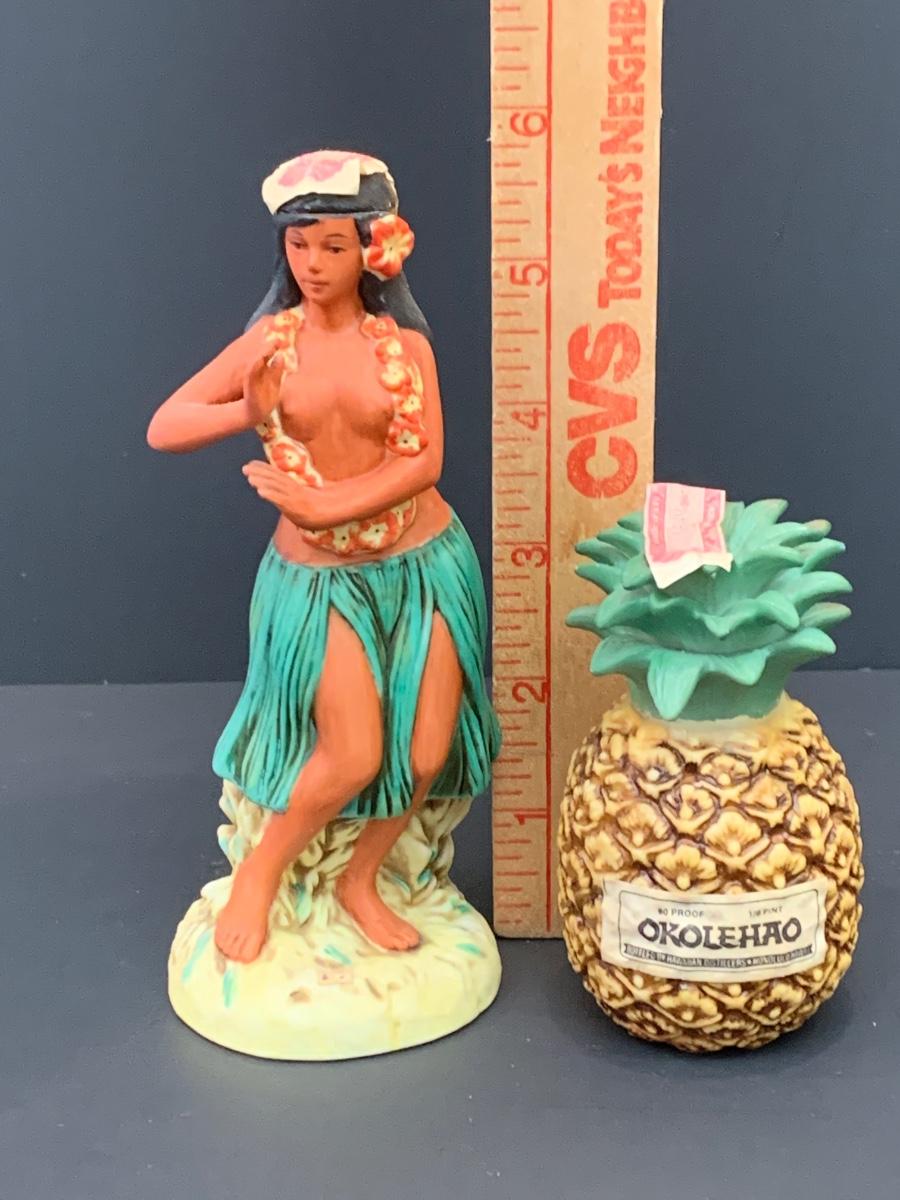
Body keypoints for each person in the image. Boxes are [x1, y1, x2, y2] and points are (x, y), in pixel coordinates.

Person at [147, 150, 500, 963]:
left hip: (425, 564)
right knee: (352, 754)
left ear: (372, 249)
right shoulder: (270, 345)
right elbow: (165, 426)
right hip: (321, 580)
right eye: (299, 244)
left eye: (333, 246)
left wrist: (325, 505)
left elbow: (424, 460)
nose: (313, 263)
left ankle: (360, 879)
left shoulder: (404, 347)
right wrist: (247, 410)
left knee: (427, 749)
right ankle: (260, 874)